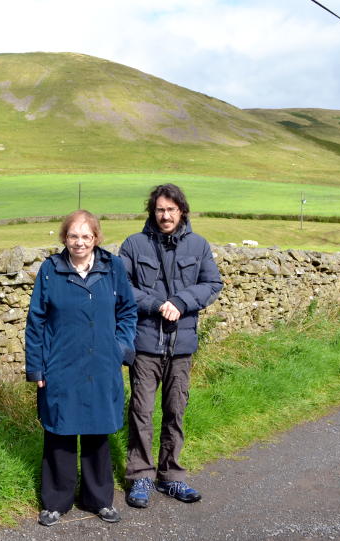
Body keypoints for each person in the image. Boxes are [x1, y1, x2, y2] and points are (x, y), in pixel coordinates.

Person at [25, 209, 138, 527]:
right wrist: (37, 369)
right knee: (59, 432)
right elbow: (36, 322)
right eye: (73, 235)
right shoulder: (50, 270)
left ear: (96, 238)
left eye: (86, 236)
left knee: (97, 431)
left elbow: (128, 310)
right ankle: (56, 502)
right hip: (60, 365)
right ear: (64, 238)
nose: (79, 242)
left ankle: (99, 499)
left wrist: (121, 349)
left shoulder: (113, 267)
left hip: (103, 363)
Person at [120, 184, 223, 508]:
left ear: (182, 212)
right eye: (160, 209)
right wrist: (154, 305)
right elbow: (121, 287)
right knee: (142, 411)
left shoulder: (198, 245)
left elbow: (212, 283)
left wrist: (180, 301)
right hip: (146, 343)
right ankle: (140, 476)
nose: (165, 215)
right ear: (153, 211)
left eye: (171, 209)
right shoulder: (134, 245)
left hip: (181, 346)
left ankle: (172, 477)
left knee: (175, 411)